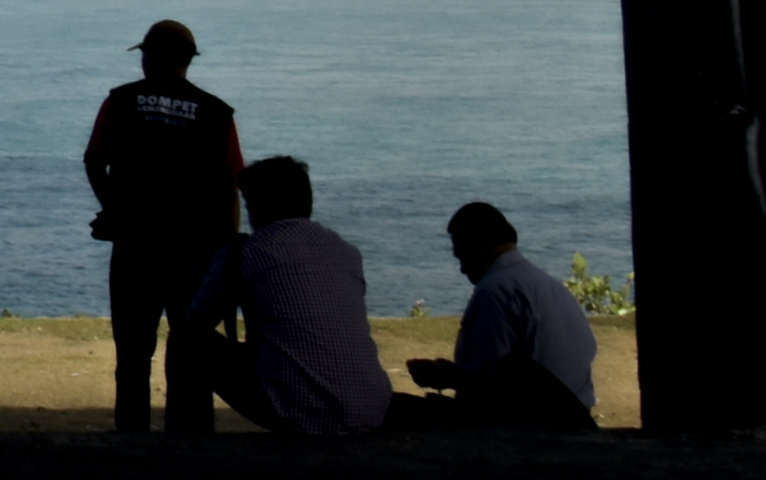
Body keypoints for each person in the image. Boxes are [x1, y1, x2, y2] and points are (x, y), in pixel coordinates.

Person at [81, 18, 244, 434]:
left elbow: (95, 161)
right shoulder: (217, 113)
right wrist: (227, 253)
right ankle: (190, 443)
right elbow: (231, 188)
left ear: (149, 57)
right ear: (189, 60)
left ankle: (132, 438)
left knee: (133, 355)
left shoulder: (120, 101)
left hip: (135, 247)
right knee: (191, 352)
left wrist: (115, 210)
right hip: (196, 252)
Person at [179, 157, 392, 436]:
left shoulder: (244, 252)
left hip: (295, 413)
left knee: (189, 340)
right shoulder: (346, 251)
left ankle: (190, 434)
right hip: (371, 408)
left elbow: (198, 321)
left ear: (257, 206)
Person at [398, 200, 599, 430]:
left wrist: (441, 377)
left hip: (533, 425)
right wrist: (455, 373)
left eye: (462, 257)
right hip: (575, 418)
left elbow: (485, 385)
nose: (462, 269)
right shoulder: (549, 285)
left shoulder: (495, 291)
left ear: (481, 247)